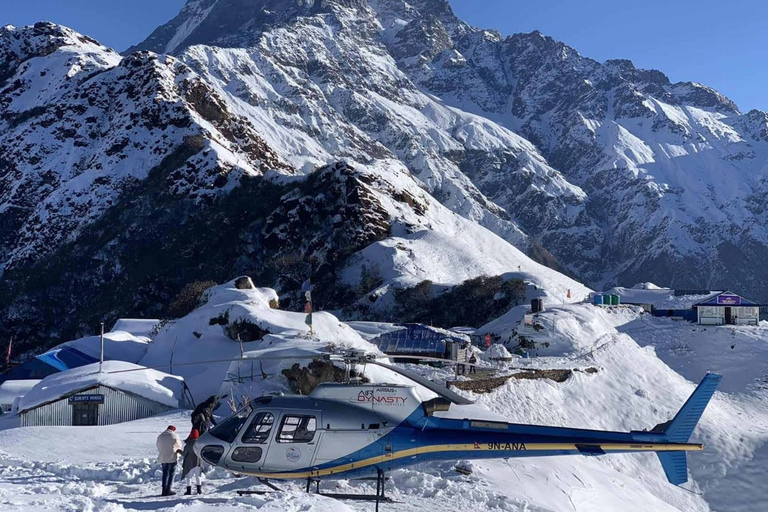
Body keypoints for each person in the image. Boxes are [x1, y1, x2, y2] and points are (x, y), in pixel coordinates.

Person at [156, 425, 183, 496]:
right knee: (171, 474)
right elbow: (179, 445)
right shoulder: (174, 435)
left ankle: (163, 490)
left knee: (165, 473)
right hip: (172, 457)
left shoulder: (160, 436)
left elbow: (158, 445)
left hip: (163, 457)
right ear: (173, 430)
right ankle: (168, 489)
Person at [180, 429, 204, 495]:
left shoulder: (188, 445)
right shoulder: (200, 444)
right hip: (199, 463)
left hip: (189, 463)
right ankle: (199, 490)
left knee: (189, 477)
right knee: (198, 476)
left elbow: (184, 454)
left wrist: (179, 451)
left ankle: (189, 491)